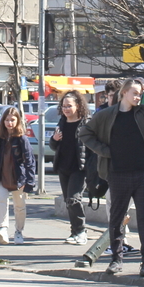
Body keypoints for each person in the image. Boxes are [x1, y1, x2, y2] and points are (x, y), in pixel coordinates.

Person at [80, 78, 144, 277]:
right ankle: (116, 260)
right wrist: (105, 151)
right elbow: (85, 133)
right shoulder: (107, 115)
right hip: (118, 173)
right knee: (117, 218)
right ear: (124, 93)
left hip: (143, 172)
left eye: (140, 94)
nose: (138, 97)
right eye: (135, 93)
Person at [0, 106, 37, 243]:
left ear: (18, 121)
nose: (9, 123)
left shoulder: (22, 139)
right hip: (2, 177)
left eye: (12, 120)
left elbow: (29, 161)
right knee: (1, 201)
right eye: (7, 120)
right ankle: (2, 228)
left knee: (19, 206)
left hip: (18, 178)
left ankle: (19, 231)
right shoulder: (0, 138)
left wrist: (30, 182)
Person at [51, 89, 89, 244]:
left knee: (74, 199)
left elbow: (91, 147)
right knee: (68, 201)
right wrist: (54, 139)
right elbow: (54, 146)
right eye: (63, 106)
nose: (66, 109)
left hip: (79, 168)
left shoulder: (86, 123)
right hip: (63, 167)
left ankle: (81, 231)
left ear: (78, 105)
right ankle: (74, 232)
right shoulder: (62, 122)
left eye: (69, 106)